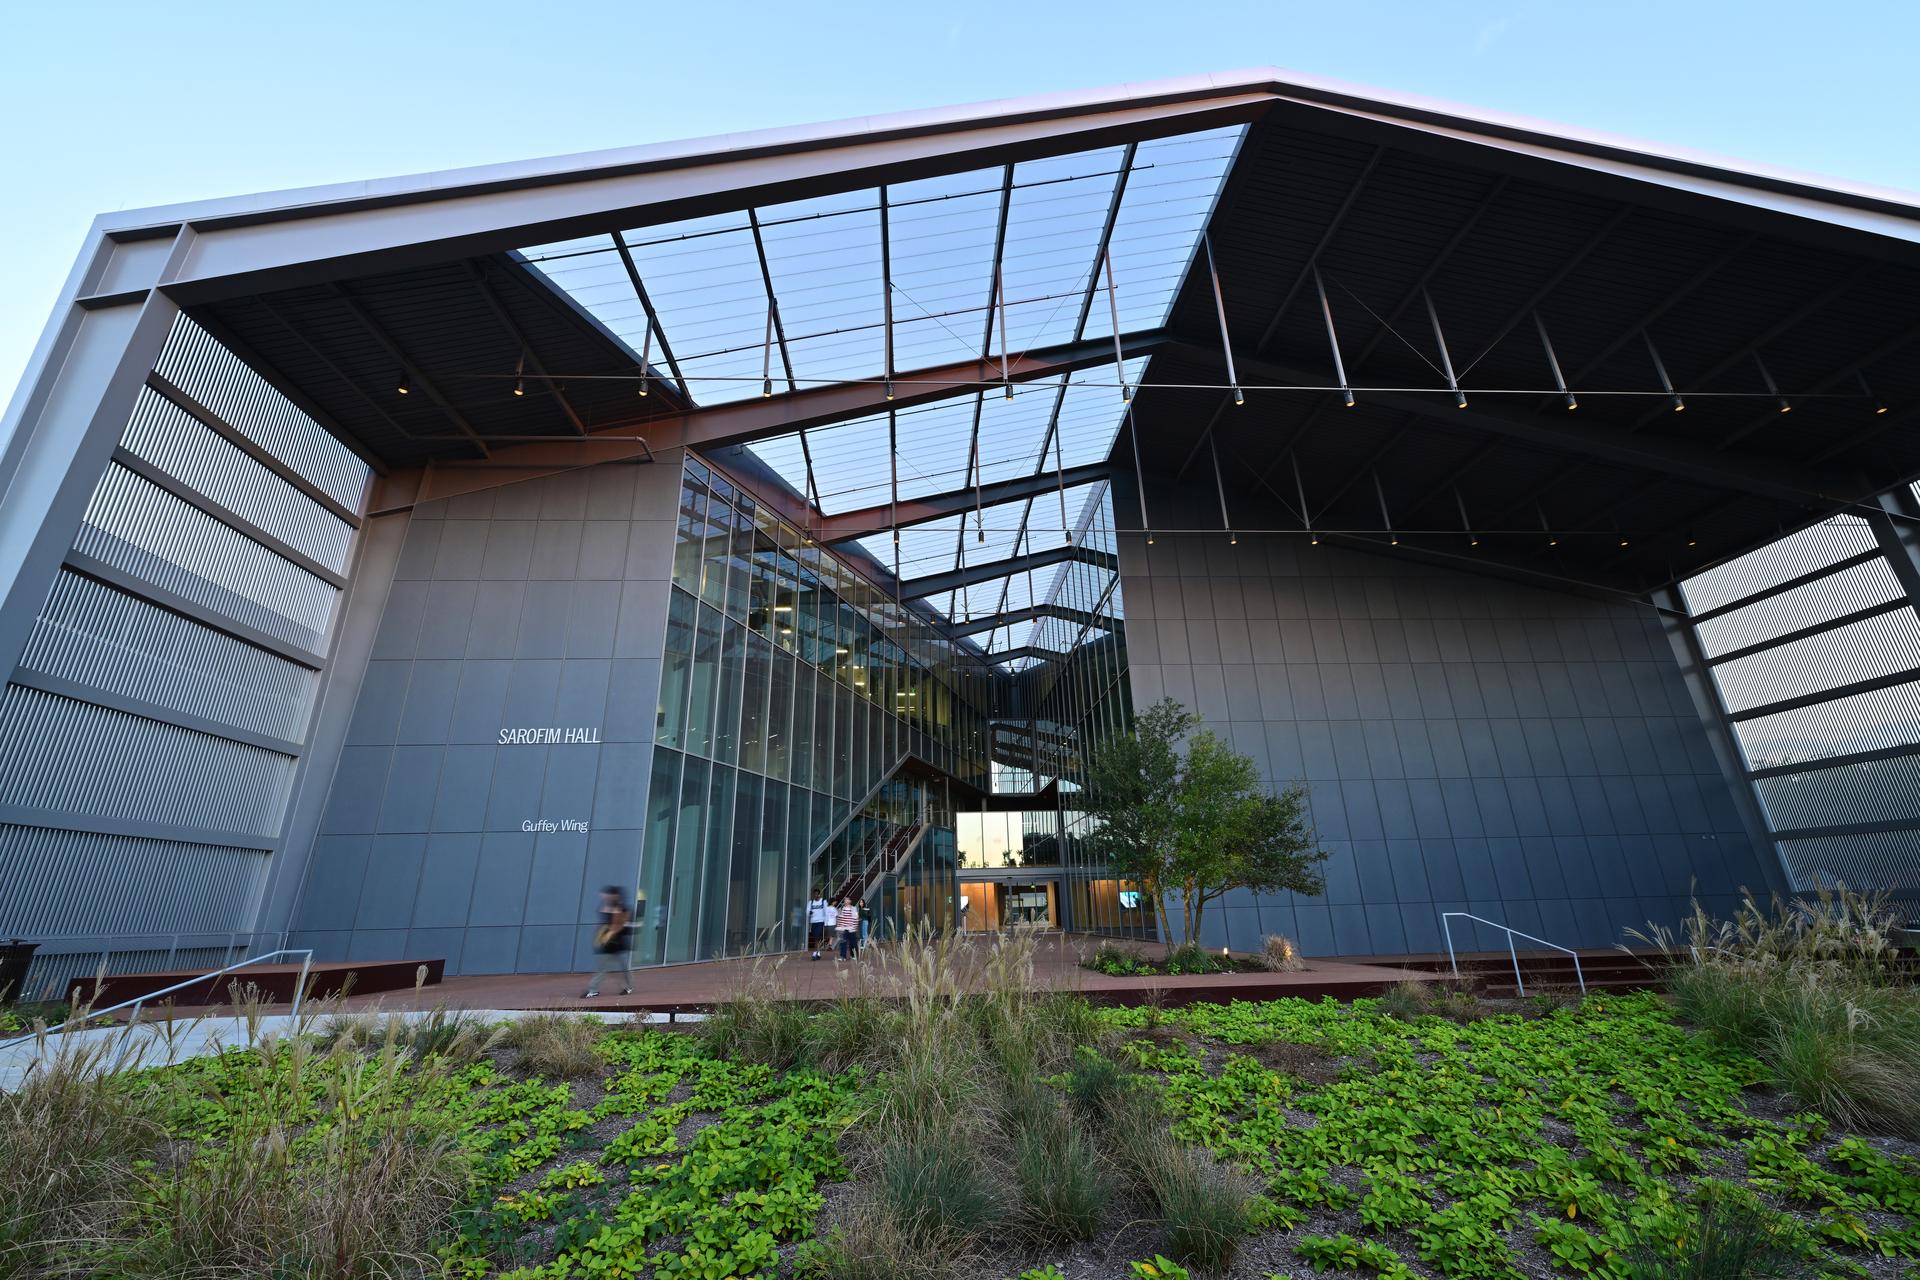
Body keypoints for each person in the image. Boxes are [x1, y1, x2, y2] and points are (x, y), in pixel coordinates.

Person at [582, 885, 633, 997]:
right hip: (607, 944)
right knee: (602, 967)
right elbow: (605, 923)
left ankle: (629, 987)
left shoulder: (622, 908)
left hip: (619, 944)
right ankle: (593, 990)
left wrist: (609, 933)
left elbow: (619, 925)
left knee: (624, 968)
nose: (604, 896)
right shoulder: (606, 906)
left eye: (608, 895)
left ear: (615, 896)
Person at [834, 895, 861, 961]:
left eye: (847, 899)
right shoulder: (841, 908)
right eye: (845, 899)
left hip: (851, 928)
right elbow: (839, 918)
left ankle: (853, 956)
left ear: (850, 901)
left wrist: (856, 927)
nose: (845, 901)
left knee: (853, 943)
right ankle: (843, 956)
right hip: (843, 928)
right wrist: (839, 926)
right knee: (843, 942)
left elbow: (856, 918)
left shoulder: (854, 908)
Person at [808, 891, 832, 960]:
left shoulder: (823, 902)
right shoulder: (811, 902)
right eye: (814, 894)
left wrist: (826, 923)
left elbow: (826, 912)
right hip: (813, 922)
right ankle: (818, 953)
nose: (815, 896)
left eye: (816, 894)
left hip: (820, 922)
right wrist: (809, 912)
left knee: (816, 937)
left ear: (819, 895)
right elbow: (807, 911)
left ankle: (815, 953)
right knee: (816, 938)